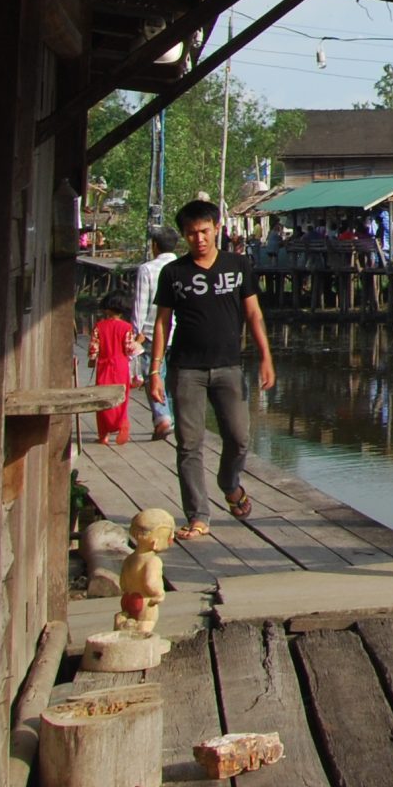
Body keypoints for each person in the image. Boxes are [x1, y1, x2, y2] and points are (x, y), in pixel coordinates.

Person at [146, 199, 276, 540]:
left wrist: (266, 356)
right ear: (184, 236)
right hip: (185, 369)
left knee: (239, 438)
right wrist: (155, 371)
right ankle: (198, 515)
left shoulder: (238, 265)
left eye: (204, 231)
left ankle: (229, 484)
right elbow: (162, 323)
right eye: (191, 233)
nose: (199, 239)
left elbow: (254, 314)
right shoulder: (174, 273)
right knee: (189, 445)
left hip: (228, 367)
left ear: (217, 228)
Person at [131, 225, 182, 440]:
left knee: (154, 376)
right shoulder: (183, 267)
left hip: (153, 332)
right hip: (179, 332)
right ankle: (171, 417)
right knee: (172, 378)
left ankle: (162, 418)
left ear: (154, 245)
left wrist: (136, 332)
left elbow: (140, 303)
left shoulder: (147, 269)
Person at [87, 304, 136, 445]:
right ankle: (122, 424)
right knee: (122, 398)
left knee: (102, 397)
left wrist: (92, 359)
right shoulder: (127, 327)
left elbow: (94, 348)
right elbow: (129, 349)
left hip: (104, 365)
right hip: (121, 365)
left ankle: (104, 434)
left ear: (108, 310)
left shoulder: (99, 326)